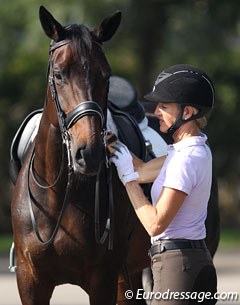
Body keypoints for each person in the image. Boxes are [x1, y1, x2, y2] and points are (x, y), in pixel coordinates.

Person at [109, 64, 217, 304]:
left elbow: (155, 224)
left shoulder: (186, 159)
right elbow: (143, 171)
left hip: (177, 268)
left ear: (187, 112)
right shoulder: (191, 149)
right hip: (186, 261)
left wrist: (127, 180)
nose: (156, 111)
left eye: (164, 106)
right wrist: (113, 144)